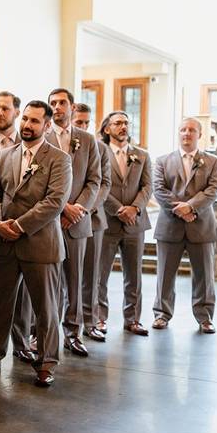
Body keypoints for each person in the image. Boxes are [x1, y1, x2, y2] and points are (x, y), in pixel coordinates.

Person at [0, 100, 71, 387]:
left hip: (40, 243)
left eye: (35, 121)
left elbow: (55, 202)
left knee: (45, 308)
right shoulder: (4, 156)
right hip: (4, 243)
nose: (27, 126)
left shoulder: (59, 159)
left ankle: (46, 362)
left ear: (46, 126)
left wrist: (19, 226)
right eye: (25, 120)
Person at [152, 117, 217, 333]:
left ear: (199, 135)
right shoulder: (163, 161)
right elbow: (159, 189)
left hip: (201, 226)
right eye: (183, 129)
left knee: (204, 276)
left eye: (192, 130)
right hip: (170, 225)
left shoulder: (213, 161)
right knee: (165, 274)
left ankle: (205, 317)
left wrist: (190, 207)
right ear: (178, 133)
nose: (187, 133)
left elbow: (213, 189)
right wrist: (180, 209)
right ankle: (162, 314)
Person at [46, 89, 101, 357]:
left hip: (77, 221)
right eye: (53, 103)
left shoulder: (87, 140)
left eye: (62, 103)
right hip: (48, 221)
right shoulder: (41, 136)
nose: (57, 107)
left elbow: (95, 180)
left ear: (72, 106)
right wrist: (61, 208)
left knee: (75, 279)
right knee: (46, 282)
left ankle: (73, 332)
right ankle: (41, 334)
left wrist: (79, 209)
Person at [0, 91, 35, 364]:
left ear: (16, 112)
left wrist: (19, 224)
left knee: (23, 295)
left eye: (5, 109)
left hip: (23, 229)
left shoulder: (31, 143)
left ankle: (22, 342)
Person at [96, 111, 152, 336]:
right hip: (108, 222)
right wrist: (118, 209)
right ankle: (99, 319)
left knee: (134, 275)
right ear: (107, 128)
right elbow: (97, 184)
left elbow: (148, 186)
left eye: (126, 123)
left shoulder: (142, 155)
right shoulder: (99, 152)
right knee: (100, 275)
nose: (123, 126)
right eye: (118, 123)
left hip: (135, 223)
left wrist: (134, 208)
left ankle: (133, 319)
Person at [72, 104, 112, 341]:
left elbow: (103, 182)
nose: (84, 127)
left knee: (90, 275)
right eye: (79, 122)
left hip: (91, 219)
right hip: (59, 218)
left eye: (87, 123)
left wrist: (83, 208)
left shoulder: (99, 148)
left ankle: (90, 321)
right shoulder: (56, 142)